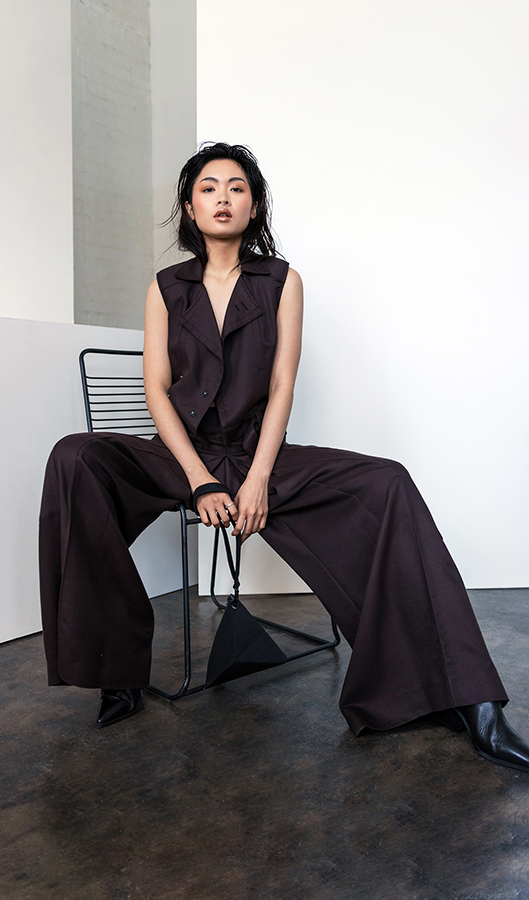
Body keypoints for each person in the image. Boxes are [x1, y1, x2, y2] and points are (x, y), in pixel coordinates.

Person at [39, 142, 529, 772]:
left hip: (252, 452)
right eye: (208, 187)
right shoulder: (166, 289)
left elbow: (281, 386)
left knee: (388, 483)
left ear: (255, 203)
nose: (222, 197)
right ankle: (116, 672)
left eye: (236, 187)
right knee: (74, 457)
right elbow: (155, 390)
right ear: (188, 206)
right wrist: (197, 481)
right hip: (181, 454)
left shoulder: (281, 281)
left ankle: (471, 702)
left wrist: (260, 478)